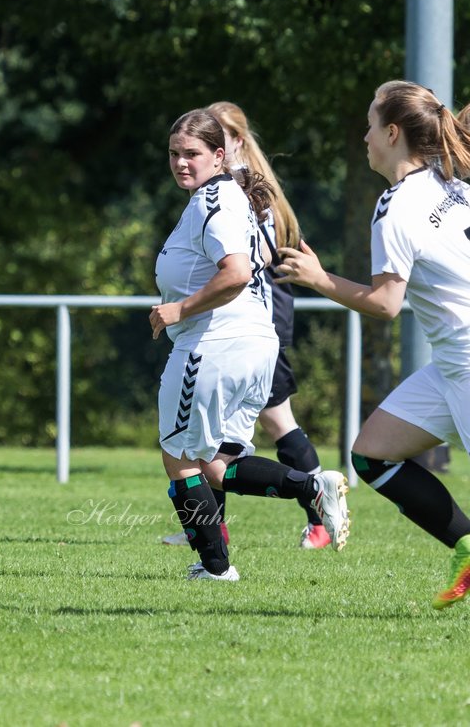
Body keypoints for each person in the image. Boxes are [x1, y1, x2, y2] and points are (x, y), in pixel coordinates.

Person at [276, 80, 470, 608]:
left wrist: (317, 279)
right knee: (372, 456)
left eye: (369, 124)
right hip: (452, 365)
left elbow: (386, 304)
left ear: (391, 132)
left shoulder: (398, 205)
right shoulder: (451, 184)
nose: (363, 136)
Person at [151, 108, 350, 582]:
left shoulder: (212, 200)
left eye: (192, 154)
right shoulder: (232, 194)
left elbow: (237, 272)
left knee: (179, 458)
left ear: (219, 156)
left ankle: (216, 568)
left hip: (214, 344)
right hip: (256, 345)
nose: (181, 162)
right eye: (175, 154)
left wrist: (178, 309)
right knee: (220, 466)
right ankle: (311, 486)